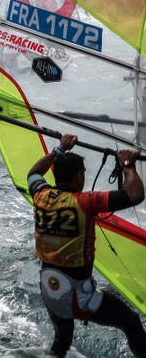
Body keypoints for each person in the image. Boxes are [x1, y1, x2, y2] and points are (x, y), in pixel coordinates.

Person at [27, 134, 145, 357]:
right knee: (131, 322)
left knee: (62, 343)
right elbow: (135, 194)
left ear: (55, 173)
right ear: (79, 176)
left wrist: (59, 149)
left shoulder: (40, 195)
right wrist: (127, 164)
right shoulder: (85, 202)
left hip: (50, 291)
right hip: (78, 297)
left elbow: (33, 173)